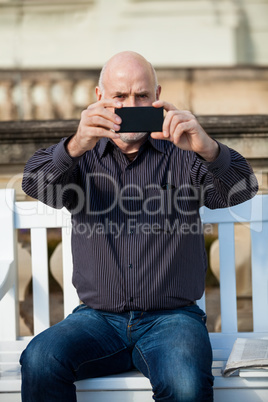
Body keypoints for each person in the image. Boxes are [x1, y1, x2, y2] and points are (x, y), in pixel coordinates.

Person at [20, 51, 258, 402]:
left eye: (141, 96)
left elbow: (244, 187)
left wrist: (208, 149)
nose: (131, 106)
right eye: (120, 97)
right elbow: (35, 183)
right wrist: (74, 145)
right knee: (40, 359)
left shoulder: (184, 153)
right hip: (97, 321)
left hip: (172, 319)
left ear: (157, 96)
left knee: (186, 384)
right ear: (99, 98)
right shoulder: (80, 157)